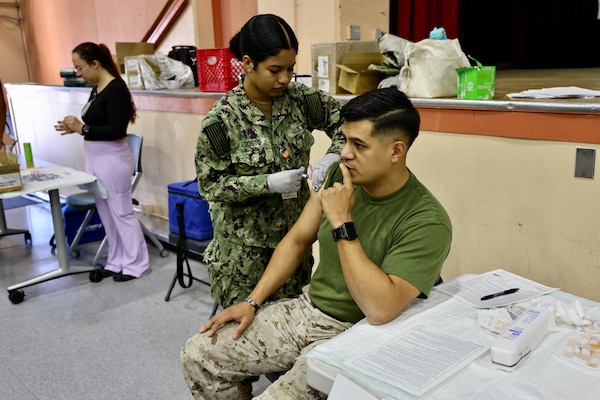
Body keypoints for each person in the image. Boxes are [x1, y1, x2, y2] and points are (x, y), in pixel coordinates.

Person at [181, 87, 453, 399]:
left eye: (359, 145)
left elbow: (380, 309)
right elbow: (297, 240)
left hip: (361, 333)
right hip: (309, 310)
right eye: (345, 139)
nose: (345, 152)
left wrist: (342, 223)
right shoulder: (339, 174)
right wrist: (252, 302)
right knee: (198, 355)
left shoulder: (426, 219)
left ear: (396, 151)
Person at [195, 14, 345, 309]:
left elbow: (347, 123)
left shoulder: (301, 100)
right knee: (245, 340)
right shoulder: (222, 119)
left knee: (292, 329)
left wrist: (333, 155)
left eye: (290, 69)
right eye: (275, 70)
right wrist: (264, 183)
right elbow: (211, 186)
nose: (285, 79)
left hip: (295, 244)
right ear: (248, 63)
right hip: (244, 256)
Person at [54, 42, 150, 282]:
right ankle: (116, 261)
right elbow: (96, 125)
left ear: (95, 64)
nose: (78, 74)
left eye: (80, 68)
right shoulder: (97, 88)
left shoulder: (116, 89)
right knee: (106, 214)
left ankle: (137, 264)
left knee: (122, 213)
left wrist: (83, 127)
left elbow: (117, 129)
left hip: (113, 159)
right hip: (95, 158)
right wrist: (77, 129)